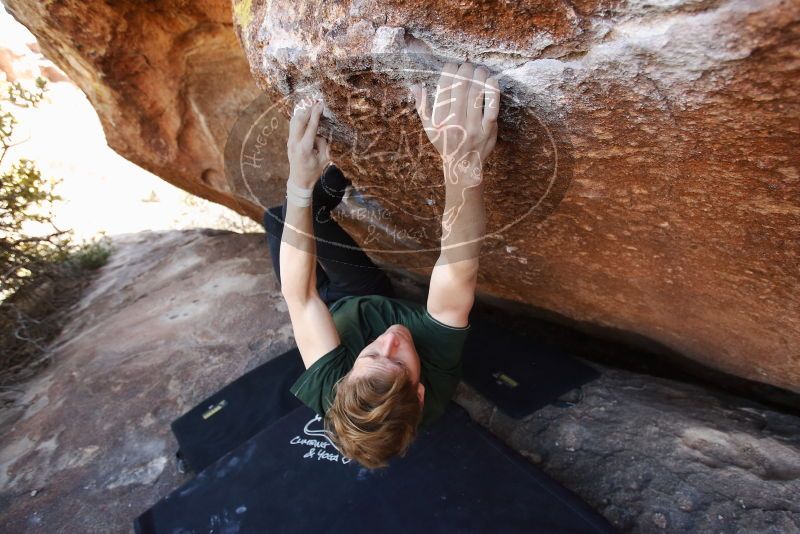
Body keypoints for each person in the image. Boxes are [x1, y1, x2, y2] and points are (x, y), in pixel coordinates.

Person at [263, 62, 499, 469]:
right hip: (365, 295)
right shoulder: (437, 377)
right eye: (399, 362)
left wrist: (298, 183)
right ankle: (336, 182)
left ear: (343, 380)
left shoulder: (333, 392)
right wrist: (462, 165)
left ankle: (322, 190)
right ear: (420, 391)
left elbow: (299, 298)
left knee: (279, 217)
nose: (391, 341)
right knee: (291, 222)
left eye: (372, 356)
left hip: (331, 311)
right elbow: (457, 272)